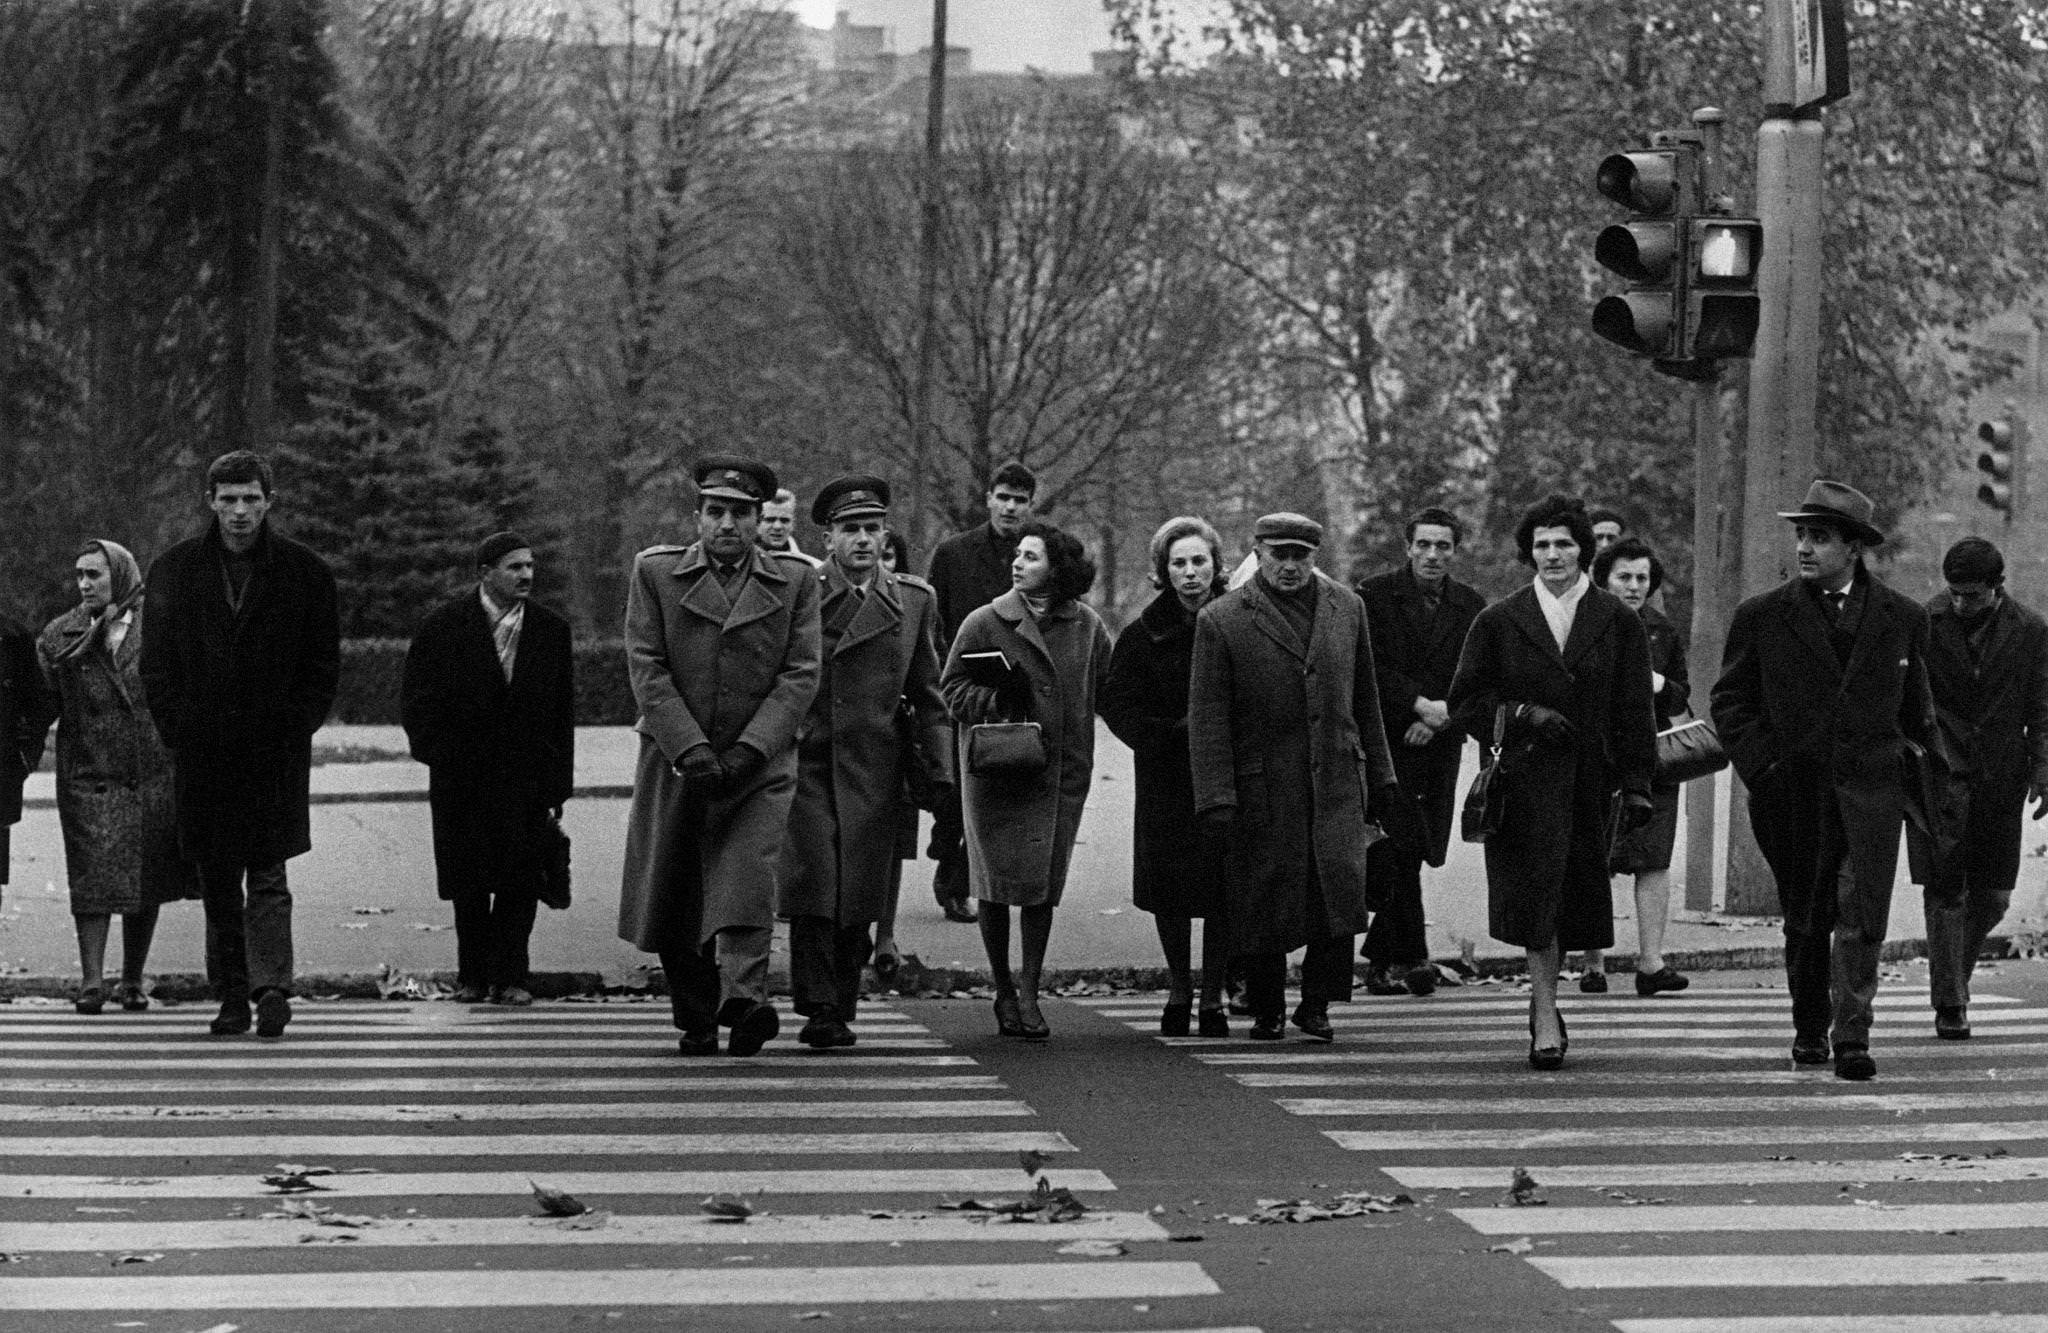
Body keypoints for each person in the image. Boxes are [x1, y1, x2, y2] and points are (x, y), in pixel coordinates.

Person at [1711, 479, 1937, 1081]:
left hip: (1871, 796)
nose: (1805, 548)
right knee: (1806, 918)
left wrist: (1909, 777)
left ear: (1854, 547)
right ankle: (1809, 1026)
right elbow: (1731, 702)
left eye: (1820, 537)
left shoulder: (1903, 619)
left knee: (1862, 917)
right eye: (1801, 535)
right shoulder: (1762, 616)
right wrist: (1766, 768)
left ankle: (1853, 1036)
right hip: (1793, 795)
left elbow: (1920, 713)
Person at [618, 455, 821, 1057]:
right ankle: (697, 1017)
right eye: (715, 512)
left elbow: (801, 674)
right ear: (698, 517)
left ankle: (744, 997)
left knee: (746, 878)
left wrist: (753, 748)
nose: (727, 524)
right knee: (674, 890)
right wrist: (692, 747)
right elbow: (646, 666)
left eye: (740, 513)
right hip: (677, 758)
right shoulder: (655, 573)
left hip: (759, 763)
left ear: (760, 519)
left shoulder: (797, 579)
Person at [1448, 494, 1656, 1069]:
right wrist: (1521, 714)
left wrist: (1638, 783)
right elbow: (1465, 702)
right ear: (1527, 552)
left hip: (1592, 785)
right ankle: (1543, 1013)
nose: (1552, 554)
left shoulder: (1617, 622)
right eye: (1541, 544)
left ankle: (1550, 1003)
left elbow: (1636, 709)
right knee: (1538, 898)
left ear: (1584, 550)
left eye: (1564, 543)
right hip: (1525, 786)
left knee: (1573, 899)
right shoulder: (1498, 620)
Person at [141, 450, 339, 1039]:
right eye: (228, 499)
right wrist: (177, 729)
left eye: (251, 498)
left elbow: (322, 663)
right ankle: (231, 994)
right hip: (203, 749)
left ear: (269, 501)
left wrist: (296, 725)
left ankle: (272, 987)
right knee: (218, 878)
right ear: (210, 502)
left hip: (273, 747)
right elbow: (156, 664)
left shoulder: (305, 572)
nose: (239, 511)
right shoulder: (174, 571)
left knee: (270, 871)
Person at [1189, 513, 1404, 1043]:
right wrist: (1216, 795)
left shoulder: (1347, 608)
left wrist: (1382, 777)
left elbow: (1365, 699)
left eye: (1300, 556)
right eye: (1278, 554)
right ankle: (1267, 1007)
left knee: (1337, 893)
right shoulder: (1222, 619)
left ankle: (1317, 1004)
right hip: (1263, 783)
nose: (1289, 566)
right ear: (1257, 553)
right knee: (1265, 896)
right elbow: (1208, 715)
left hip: (1335, 776)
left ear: (1315, 556)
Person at [779, 478, 952, 1049]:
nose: (862, 540)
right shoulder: (799, 591)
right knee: (815, 885)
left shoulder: (912, 600)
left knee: (858, 892)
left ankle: (840, 1003)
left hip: (875, 768)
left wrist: (943, 772)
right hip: (809, 761)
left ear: (884, 536)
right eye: (849, 530)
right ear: (827, 538)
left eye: (871, 529)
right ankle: (820, 1006)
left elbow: (930, 696)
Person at [942, 520, 1111, 1040]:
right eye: (1016, 555)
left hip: (1058, 775)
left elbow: (1109, 690)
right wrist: (996, 701)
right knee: (994, 887)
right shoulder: (984, 621)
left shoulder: (1087, 627)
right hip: (996, 775)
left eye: (1031, 557)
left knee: (1041, 890)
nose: (1018, 563)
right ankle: (1003, 990)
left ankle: (1031, 990)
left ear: (1057, 569)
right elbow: (950, 690)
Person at [401, 533, 576, 1006]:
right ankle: (473, 975)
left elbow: (563, 712)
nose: (526, 575)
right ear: (485, 573)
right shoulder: (443, 627)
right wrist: (439, 753)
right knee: (470, 882)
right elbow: (417, 702)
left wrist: (559, 781)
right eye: (514, 567)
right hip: (463, 777)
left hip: (526, 777)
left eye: (530, 566)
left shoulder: (549, 630)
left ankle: (512, 976)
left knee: (522, 879)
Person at [38, 540, 187, 1013]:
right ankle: (91, 981)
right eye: (79, 574)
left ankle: (132, 979)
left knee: (146, 879)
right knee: (93, 878)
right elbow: (41, 704)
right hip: (89, 775)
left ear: (120, 576)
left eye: (95, 575)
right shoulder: (61, 635)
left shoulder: (161, 629)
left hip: (151, 773)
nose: (84, 584)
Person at [1102, 516, 1231, 1036]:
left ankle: (1215, 994)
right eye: (1178, 563)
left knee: (1223, 884)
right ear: (1164, 571)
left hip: (1224, 773)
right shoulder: (1141, 634)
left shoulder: (1234, 621)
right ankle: (1180, 985)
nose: (1190, 572)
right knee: (1170, 885)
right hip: (1166, 774)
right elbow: (1116, 703)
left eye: (1199, 561)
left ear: (1217, 567)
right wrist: (1164, 735)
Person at [1915, 537, 2048, 1040]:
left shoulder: (2030, 630)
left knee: (1992, 897)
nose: (1960, 604)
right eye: (1953, 593)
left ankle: (1954, 978)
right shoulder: (1924, 622)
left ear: (1998, 588)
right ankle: (1950, 1002)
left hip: (2000, 776)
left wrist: (2043, 769)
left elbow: (2042, 705)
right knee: (1946, 888)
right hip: (1940, 773)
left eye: (1971, 595)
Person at [1354, 506, 1486, 998]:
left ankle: (1388, 958)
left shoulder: (1471, 606)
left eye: (1443, 546)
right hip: (1388, 743)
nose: (1433, 555)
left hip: (1440, 746)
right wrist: (1415, 704)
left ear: (1455, 551)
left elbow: (1479, 674)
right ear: (1407, 546)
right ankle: (1409, 956)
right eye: (1424, 545)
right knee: (1398, 846)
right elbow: (1366, 667)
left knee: (1423, 848)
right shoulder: (1374, 596)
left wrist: (1442, 716)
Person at [925, 461, 1037, 923]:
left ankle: (958, 881)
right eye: (1003, 497)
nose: (1010, 507)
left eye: (1020, 500)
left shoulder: (1039, 556)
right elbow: (931, 620)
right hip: (956, 687)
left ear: (1031, 507)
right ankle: (945, 845)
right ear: (989, 498)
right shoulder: (954, 553)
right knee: (953, 789)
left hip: (1015, 692)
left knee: (995, 789)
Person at [1582, 536, 1691, 997]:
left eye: (1642, 578)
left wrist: (1657, 681)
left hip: (1652, 754)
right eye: (1623, 577)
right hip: (1599, 753)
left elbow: (1680, 694)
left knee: (1654, 859)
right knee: (1595, 856)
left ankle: (1651, 962)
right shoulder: (1585, 624)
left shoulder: (1662, 631)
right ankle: (1593, 964)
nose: (1633, 586)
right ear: (1603, 579)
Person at [869, 528, 931, 980]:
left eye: (891, 555)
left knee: (891, 847)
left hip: (896, 743)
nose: (882, 561)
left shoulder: (913, 605)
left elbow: (928, 677)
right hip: (847, 744)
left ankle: (885, 932)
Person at [758, 488, 823, 568]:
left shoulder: (814, 567)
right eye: (770, 520)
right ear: (757, 522)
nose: (777, 527)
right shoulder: (742, 564)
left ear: (793, 524)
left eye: (784, 520)